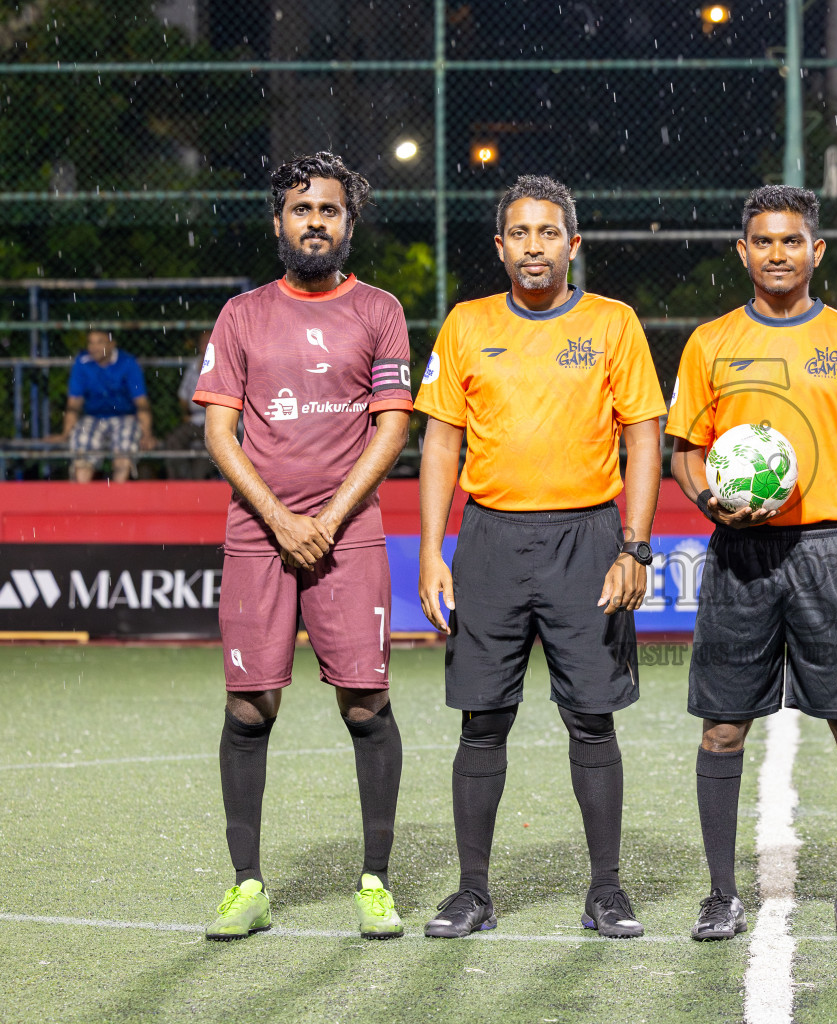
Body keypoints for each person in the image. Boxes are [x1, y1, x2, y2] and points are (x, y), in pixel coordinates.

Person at [415, 175, 665, 940]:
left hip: (588, 539)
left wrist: (635, 546)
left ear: (573, 244)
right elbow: (441, 440)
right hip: (490, 539)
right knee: (481, 721)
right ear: (499, 247)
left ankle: (607, 891)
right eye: (519, 233)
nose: (533, 246)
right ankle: (472, 893)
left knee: (592, 720)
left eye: (548, 232)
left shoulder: (613, 323)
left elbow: (644, 434)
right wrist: (432, 548)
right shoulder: (465, 324)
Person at [668, 185, 837, 943]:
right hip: (741, 551)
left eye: (792, 241)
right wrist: (710, 500)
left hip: (834, 551)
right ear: (743, 252)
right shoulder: (709, 343)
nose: (778, 254)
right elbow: (684, 452)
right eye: (763, 242)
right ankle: (719, 894)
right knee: (722, 729)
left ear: (817, 250)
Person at [194, 151, 413, 940]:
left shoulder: (380, 310)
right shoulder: (242, 314)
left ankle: (376, 883)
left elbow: (392, 425)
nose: (313, 221)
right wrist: (282, 519)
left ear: (349, 224)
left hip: (350, 534)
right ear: (278, 220)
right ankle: (247, 886)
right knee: (249, 708)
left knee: (365, 703)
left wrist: (327, 515)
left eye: (328, 210)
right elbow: (222, 431)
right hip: (258, 533)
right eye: (300, 208)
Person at [58, 329, 156, 482]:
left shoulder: (128, 362)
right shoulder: (82, 362)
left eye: (100, 342)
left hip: (125, 417)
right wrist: (65, 434)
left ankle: (118, 500)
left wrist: (147, 434)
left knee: (123, 455)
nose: (94, 347)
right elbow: (74, 404)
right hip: (92, 418)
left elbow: (141, 403)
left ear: (112, 344)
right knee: (82, 451)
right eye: (91, 342)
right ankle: (80, 502)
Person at [164, 331, 214, 479]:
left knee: (211, 448)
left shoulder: (226, 363)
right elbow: (183, 395)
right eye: (203, 341)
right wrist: (186, 414)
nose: (205, 345)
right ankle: (179, 483)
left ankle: (195, 484)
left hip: (218, 421)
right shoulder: (193, 366)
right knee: (173, 442)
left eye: (209, 341)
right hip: (195, 420)